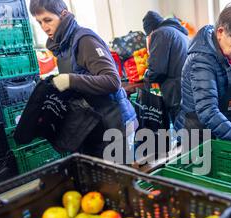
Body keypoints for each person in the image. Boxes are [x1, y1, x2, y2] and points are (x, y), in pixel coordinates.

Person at [29, 0, 137, 161]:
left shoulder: (85, 40)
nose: (44, 27)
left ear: (63, 14)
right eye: (39, 22)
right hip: (93, 125)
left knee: (118, 180)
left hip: (114, 124)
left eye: (48, 20)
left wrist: (71, 80)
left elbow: (113, 81)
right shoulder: (63, 46)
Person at [174, 4, 231, 144]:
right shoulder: (201, 60)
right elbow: (208, 112)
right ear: (221, 32)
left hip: (223, 130)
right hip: (197, 137)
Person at [142, 11, 189, 124]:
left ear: (151, 30)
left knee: (182, 132)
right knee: (189, 131)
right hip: (186, 88)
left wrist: (147, 75)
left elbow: (157, 70)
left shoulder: (160, 33)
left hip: (175, 92)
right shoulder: (177, 32)